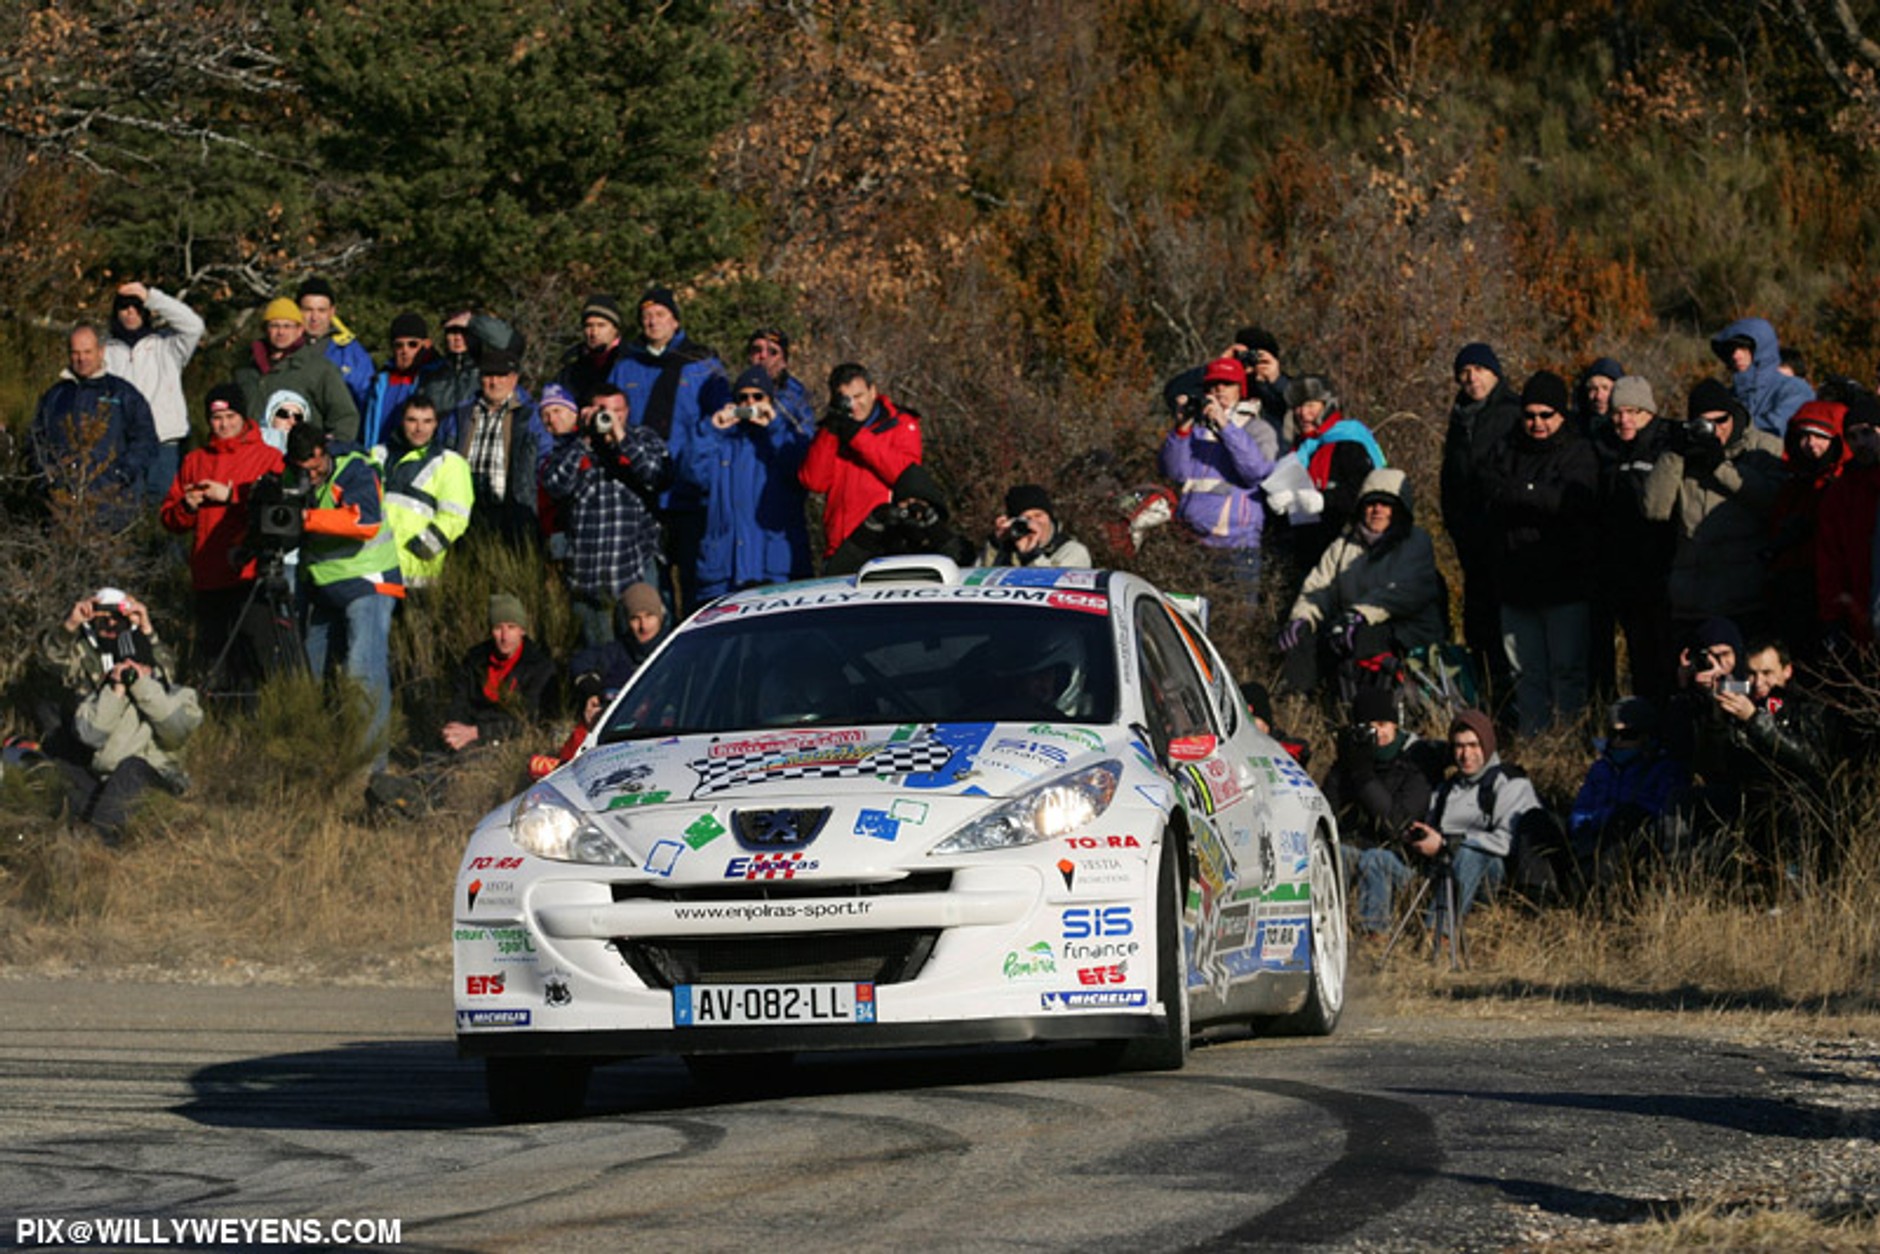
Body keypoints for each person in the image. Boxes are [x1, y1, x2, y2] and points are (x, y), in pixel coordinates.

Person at [1483, 370, 1599, 735]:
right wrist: (1536, 494)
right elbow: (1489, 492)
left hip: (1565, 584)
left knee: (1567, 670)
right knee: (1525, 674)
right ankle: (1535, 743)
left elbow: (1570, 504)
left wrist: (1524, 493)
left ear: (1562, 414)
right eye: (1530, 415)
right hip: (1516, 585)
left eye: (1546, 415)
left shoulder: (1579, 451)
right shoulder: (1505, 449)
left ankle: (1567, 742)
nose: (1537, 423)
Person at [39, 589, 201, 843]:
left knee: (131, 771)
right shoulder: (92, 663)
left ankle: (98, 842)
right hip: (101, 760)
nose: (112, 626)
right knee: (57, 770)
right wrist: (71, 624)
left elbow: (173, 717)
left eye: (119, 620)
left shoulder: (166, 684)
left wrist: (145, 633)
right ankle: (67, 831)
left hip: (147, 772)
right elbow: (50, 663)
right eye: (104, 620)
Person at [289, 424, 403, 772]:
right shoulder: (292, 472)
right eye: (301, 467)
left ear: (324, 451)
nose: (309, 473)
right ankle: (316, 757)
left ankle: (370, 768)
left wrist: (306, 517)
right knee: (307, 668)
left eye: (313, 465)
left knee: (362, 672)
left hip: (368, 581)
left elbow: (364, 522)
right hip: (323, 585)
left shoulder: (354, 469)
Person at [157, 385, 287, 689]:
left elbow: (277, 511)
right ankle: (221, 729)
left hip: (250, 575)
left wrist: (230, 495)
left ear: (243, 417)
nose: (224, 424)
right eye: (217, 417)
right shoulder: (195, 461)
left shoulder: (268, 457)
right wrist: (187, 506)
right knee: (215, 664)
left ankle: (262, 723)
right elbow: (169, 518)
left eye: (230, 416)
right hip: (208, 576)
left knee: (257, 661)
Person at [1276, 467, 1444, 697]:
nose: (1377, 510)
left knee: (1364, 636)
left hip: (1406, 630)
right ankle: (1296, 702)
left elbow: (1409, 591)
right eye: (1371, 504)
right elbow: (1319, 587)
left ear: (1399, 510)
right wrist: (1302, 617)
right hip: (1350, 625)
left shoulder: (1415, 542)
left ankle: (1368, 711)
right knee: (1303, 636)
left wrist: (1360, 614)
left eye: (1386, 505)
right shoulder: (1344, 545)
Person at [612, 287, 728, 613]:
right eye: (646, 316)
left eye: (660, 315)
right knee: (649, 588)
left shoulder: (702, 364)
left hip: (689, 492)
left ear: (675, 321)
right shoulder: (627, 366)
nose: (652, 322)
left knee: (694, 582)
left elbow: (721, 423)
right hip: (641, 494)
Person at [1643, 379, 1785, 641]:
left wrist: (1720, 468)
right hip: (1693, 598)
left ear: (1733, 414)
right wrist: (1674, 454)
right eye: (1705, 423)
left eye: (1721, 420)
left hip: (1747, 595)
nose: (1715, 429)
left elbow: (1772, 501)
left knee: (1743, 681)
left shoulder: (1764, 447)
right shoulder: (1682, 453)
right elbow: (1655, 509)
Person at [538, 384, 670, 648]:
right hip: (588, 578)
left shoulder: (643, 438)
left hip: (634, 572)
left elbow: (657, 475)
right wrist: (584, 440)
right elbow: (554, 484)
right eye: (602, 411)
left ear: (627, 412)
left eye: (616, 411)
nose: (609, 417)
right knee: (601, 663)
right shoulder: (571, 446)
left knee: (646, 656)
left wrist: (622, 439)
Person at [1398, 710, 1543, 940]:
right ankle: (1372, 934)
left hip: (1493, 875)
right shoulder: (1445, 789)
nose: (1466, 755)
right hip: (1444, 868)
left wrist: (1447, 844)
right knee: (1380, 860)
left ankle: (1438, 935)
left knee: (1468, 854)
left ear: (1487, 744)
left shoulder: (1510, 782)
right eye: (1459, 746)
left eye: (1474, 745)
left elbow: (1507, 842)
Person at [1323, 687, 1448, 937]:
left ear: (1395, 725)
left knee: (1374, 859)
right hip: (1356, 849)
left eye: (1383, 724)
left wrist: (1364, 777)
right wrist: (1344, 765)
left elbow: (1397, 825)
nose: (1377, 732)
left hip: (1402, 861)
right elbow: (1327, 814)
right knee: (1333, 855)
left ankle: (1374, 934)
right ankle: (1326, 931)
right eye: (1368, 726)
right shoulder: (1351, 761)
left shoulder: (1415, 762)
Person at [1439, 342, 1523, 701]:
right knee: (1480, 627)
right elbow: (1450, 479)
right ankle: (1490, 700)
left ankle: (1516, 703)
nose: (1472, 378)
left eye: (1479, 370)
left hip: (1507, 541)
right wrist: (1456, 526)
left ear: (1495, 372)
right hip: (1471, 542)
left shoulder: (1513, 413)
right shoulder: (1460, 418)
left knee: (1511, 629)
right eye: (1465, 372)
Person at [689, 365, 816, 600]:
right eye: (743, 398)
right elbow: (693, 475)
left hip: (774, 568)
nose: (750, 404)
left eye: (758, 397)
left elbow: (803, 472)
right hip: (725, 570)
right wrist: (711, 429)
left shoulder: (784, 438)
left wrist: (775, 427)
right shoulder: (723, 443)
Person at [1590, 375, 1678, 703]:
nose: (1624, 419)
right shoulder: (1607, 449)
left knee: (1665, 657)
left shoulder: (1665, 445)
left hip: (1661, 570)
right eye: (1617, 412)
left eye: (1633, 411)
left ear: (1648, 412)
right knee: (1639, 659)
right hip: (1623, 573)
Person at [1159, 356, 1277, 594]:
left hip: (1237, 548)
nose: (1219, 390)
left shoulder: (1258, 429)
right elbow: (1175, 472)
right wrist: (1181, 428)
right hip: (1191, 544)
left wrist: (1226, 427)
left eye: (1227, 384)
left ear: (1240, 390)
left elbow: (1255, 472)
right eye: (1213, 385)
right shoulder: (1196, 430)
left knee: (1236, 623)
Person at [29, 324, 158, 525]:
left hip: (112, 507)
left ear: (101, 351)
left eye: (87, 352)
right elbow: (36, 441)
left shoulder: (123, 394)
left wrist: (121, 474)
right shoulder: (55, 396)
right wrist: (48, 477)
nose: (81, 359)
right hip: (61, 509)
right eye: (75, 353)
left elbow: (145, 440)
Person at [799, 361, 924, 559]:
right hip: (841, 547)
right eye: (846, 399)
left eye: (859, 396)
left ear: (872, 391)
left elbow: (906, 475)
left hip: (885, 546)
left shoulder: (900, 424)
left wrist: (857, 437)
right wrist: (830, 430)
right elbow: (814, 481)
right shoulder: (831, 431)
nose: (854, 405)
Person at [1263, 374, 1386, 571]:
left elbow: (1365, 492)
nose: (1303, 414)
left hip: (1346, 546)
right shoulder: (1301, 449)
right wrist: (1282, 503)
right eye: (1298, 407)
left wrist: (1325, 500)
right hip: (1304, 547)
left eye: (1311, 406)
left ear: (1326, 405)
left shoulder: (1349, 442)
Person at [1567, 696, 1690, 891]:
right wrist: (1596, 820)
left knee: (1625, 817)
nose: (1618, 741)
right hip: (1594, 832)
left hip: (1636, 840)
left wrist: (1619, 815)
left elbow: (1663, 813)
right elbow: (1580, 810)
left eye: (1628, 734)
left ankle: (1602, 890)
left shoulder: (1664, 769)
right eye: (1612, 734)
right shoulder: (1601, 768)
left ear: (1646, 736)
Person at [103, 281, 205, 500]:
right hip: (124, 448)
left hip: (165, 446)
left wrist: (150, 296)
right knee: (126, 514)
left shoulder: (168, 346)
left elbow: (194, 326)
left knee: (165, 515)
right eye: (124, 306)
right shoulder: (105, 353)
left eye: (137, 306)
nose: (131, 312)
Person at [1768, 400, 1846, 659]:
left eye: (1821, 437)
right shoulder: (1793, 485)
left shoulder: (1844, 484)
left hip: (1833, 591)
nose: (1811, 444)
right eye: (1805, 436)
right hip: (1792, 587)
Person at [446, 342, 545, 543]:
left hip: (509, 512)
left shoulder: (529, 415)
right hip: (464, 511)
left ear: (514, 379)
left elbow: (543, 460)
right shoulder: (460, 414)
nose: (495, 382)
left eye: (502, 376)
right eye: (489, 375)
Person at [373, 395, 473, 590]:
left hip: (418, 576)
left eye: (427, 421)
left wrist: (422, 549)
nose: (419, 429)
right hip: (373, 570)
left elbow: (455, 517)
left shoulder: (450, 463)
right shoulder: (377, 455)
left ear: (436, 424)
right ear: (402, 421)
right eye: (412, 420)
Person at [440, 593, 559, 753]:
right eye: (498, 628)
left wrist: (478, 732)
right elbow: (460, 699)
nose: (504, 636)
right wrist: (455, 728)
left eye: (511, 627)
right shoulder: (475, 658)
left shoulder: (539, 666)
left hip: (507, 739)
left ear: (522, 630)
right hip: (469, 733)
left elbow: (530, 720)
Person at [234, 297, 361, 443]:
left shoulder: (319, 369)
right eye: (274, 326)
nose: (281, 332)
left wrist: (332, 451)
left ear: (300, 330)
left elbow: (344, 416)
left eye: (288, 326)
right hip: (254, 457)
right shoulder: (246, 371)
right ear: (265, 329)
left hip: (298, 459)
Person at [824, 463, 975, 575]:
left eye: (919, 504)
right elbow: (836, 573)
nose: (911, 511)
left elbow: (966, 566)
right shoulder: (882, 547)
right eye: (905, 504)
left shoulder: (946, 543)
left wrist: (934, 528)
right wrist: (870, 528)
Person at [1816, 395, 1880, 652]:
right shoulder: (1841, 492)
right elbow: (1829, 558)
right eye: (1852, 437)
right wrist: (1834, 613)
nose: (1860, 443)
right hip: (1860, 618)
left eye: (1867, 432)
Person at [1710, 317, 1814, 439]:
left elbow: (1776, 427)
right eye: (1731, 350)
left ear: (1761, 349)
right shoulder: (1728, 396)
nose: (1736, 355)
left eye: (1744, 348)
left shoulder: (1794, 389)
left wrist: (1729, 429)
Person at [360, 311, 442, 449]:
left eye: (412, 344)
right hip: (379, 458)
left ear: (426, 344)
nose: (405, 350)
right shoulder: (381, 381)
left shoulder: (436, 379)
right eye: (399, 345)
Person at [298, 278, 375, 411]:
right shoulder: (283, 348)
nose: (314, 317)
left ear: (332, 311)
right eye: (308, 310)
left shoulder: (351, 353)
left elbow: (367, 402)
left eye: (321, 310)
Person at [980, 483, 1093, 568]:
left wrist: (1031, 555)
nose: (1034, 523)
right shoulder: (1007, 550)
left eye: (1038, 515)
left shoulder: (1073, 551)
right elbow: (976, 583)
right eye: (1026, 518)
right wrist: (995, 544)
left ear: (1050, 518)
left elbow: (1051, 588)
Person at [554, 294, 632, 404]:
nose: (594, 333)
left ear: (615, 329)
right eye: (589, 326)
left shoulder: (632, 361)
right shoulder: (572, 367)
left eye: (601, 325)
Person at [743, 327, 816, 434]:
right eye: (757, 350)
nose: (763, 356)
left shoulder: (796, 400)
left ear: (784, 362)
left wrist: (773, 421)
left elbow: (805, 439)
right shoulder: (738, 394)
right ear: (749, 356)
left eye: (772, 352)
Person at [419, 309, 482, 419]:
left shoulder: (486, 372)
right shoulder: (431, 373)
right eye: (452, 332)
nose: (458, 338)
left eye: (464, 332)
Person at [1572, 356, 1624, 435]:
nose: (1599, 396)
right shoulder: (1575, 430)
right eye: (1593, 389)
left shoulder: (1632, 432)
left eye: (1605, 388)